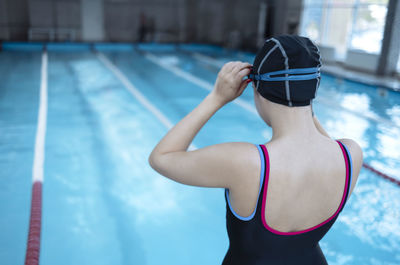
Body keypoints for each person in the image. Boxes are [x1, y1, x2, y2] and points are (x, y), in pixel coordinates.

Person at [148, 35, 363, 264]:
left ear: (258, 91)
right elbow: (317, 136)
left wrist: (217, 98)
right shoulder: (350, 155)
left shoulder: (247, 163)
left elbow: (161, 158)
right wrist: (304, 99)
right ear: (314, 89)